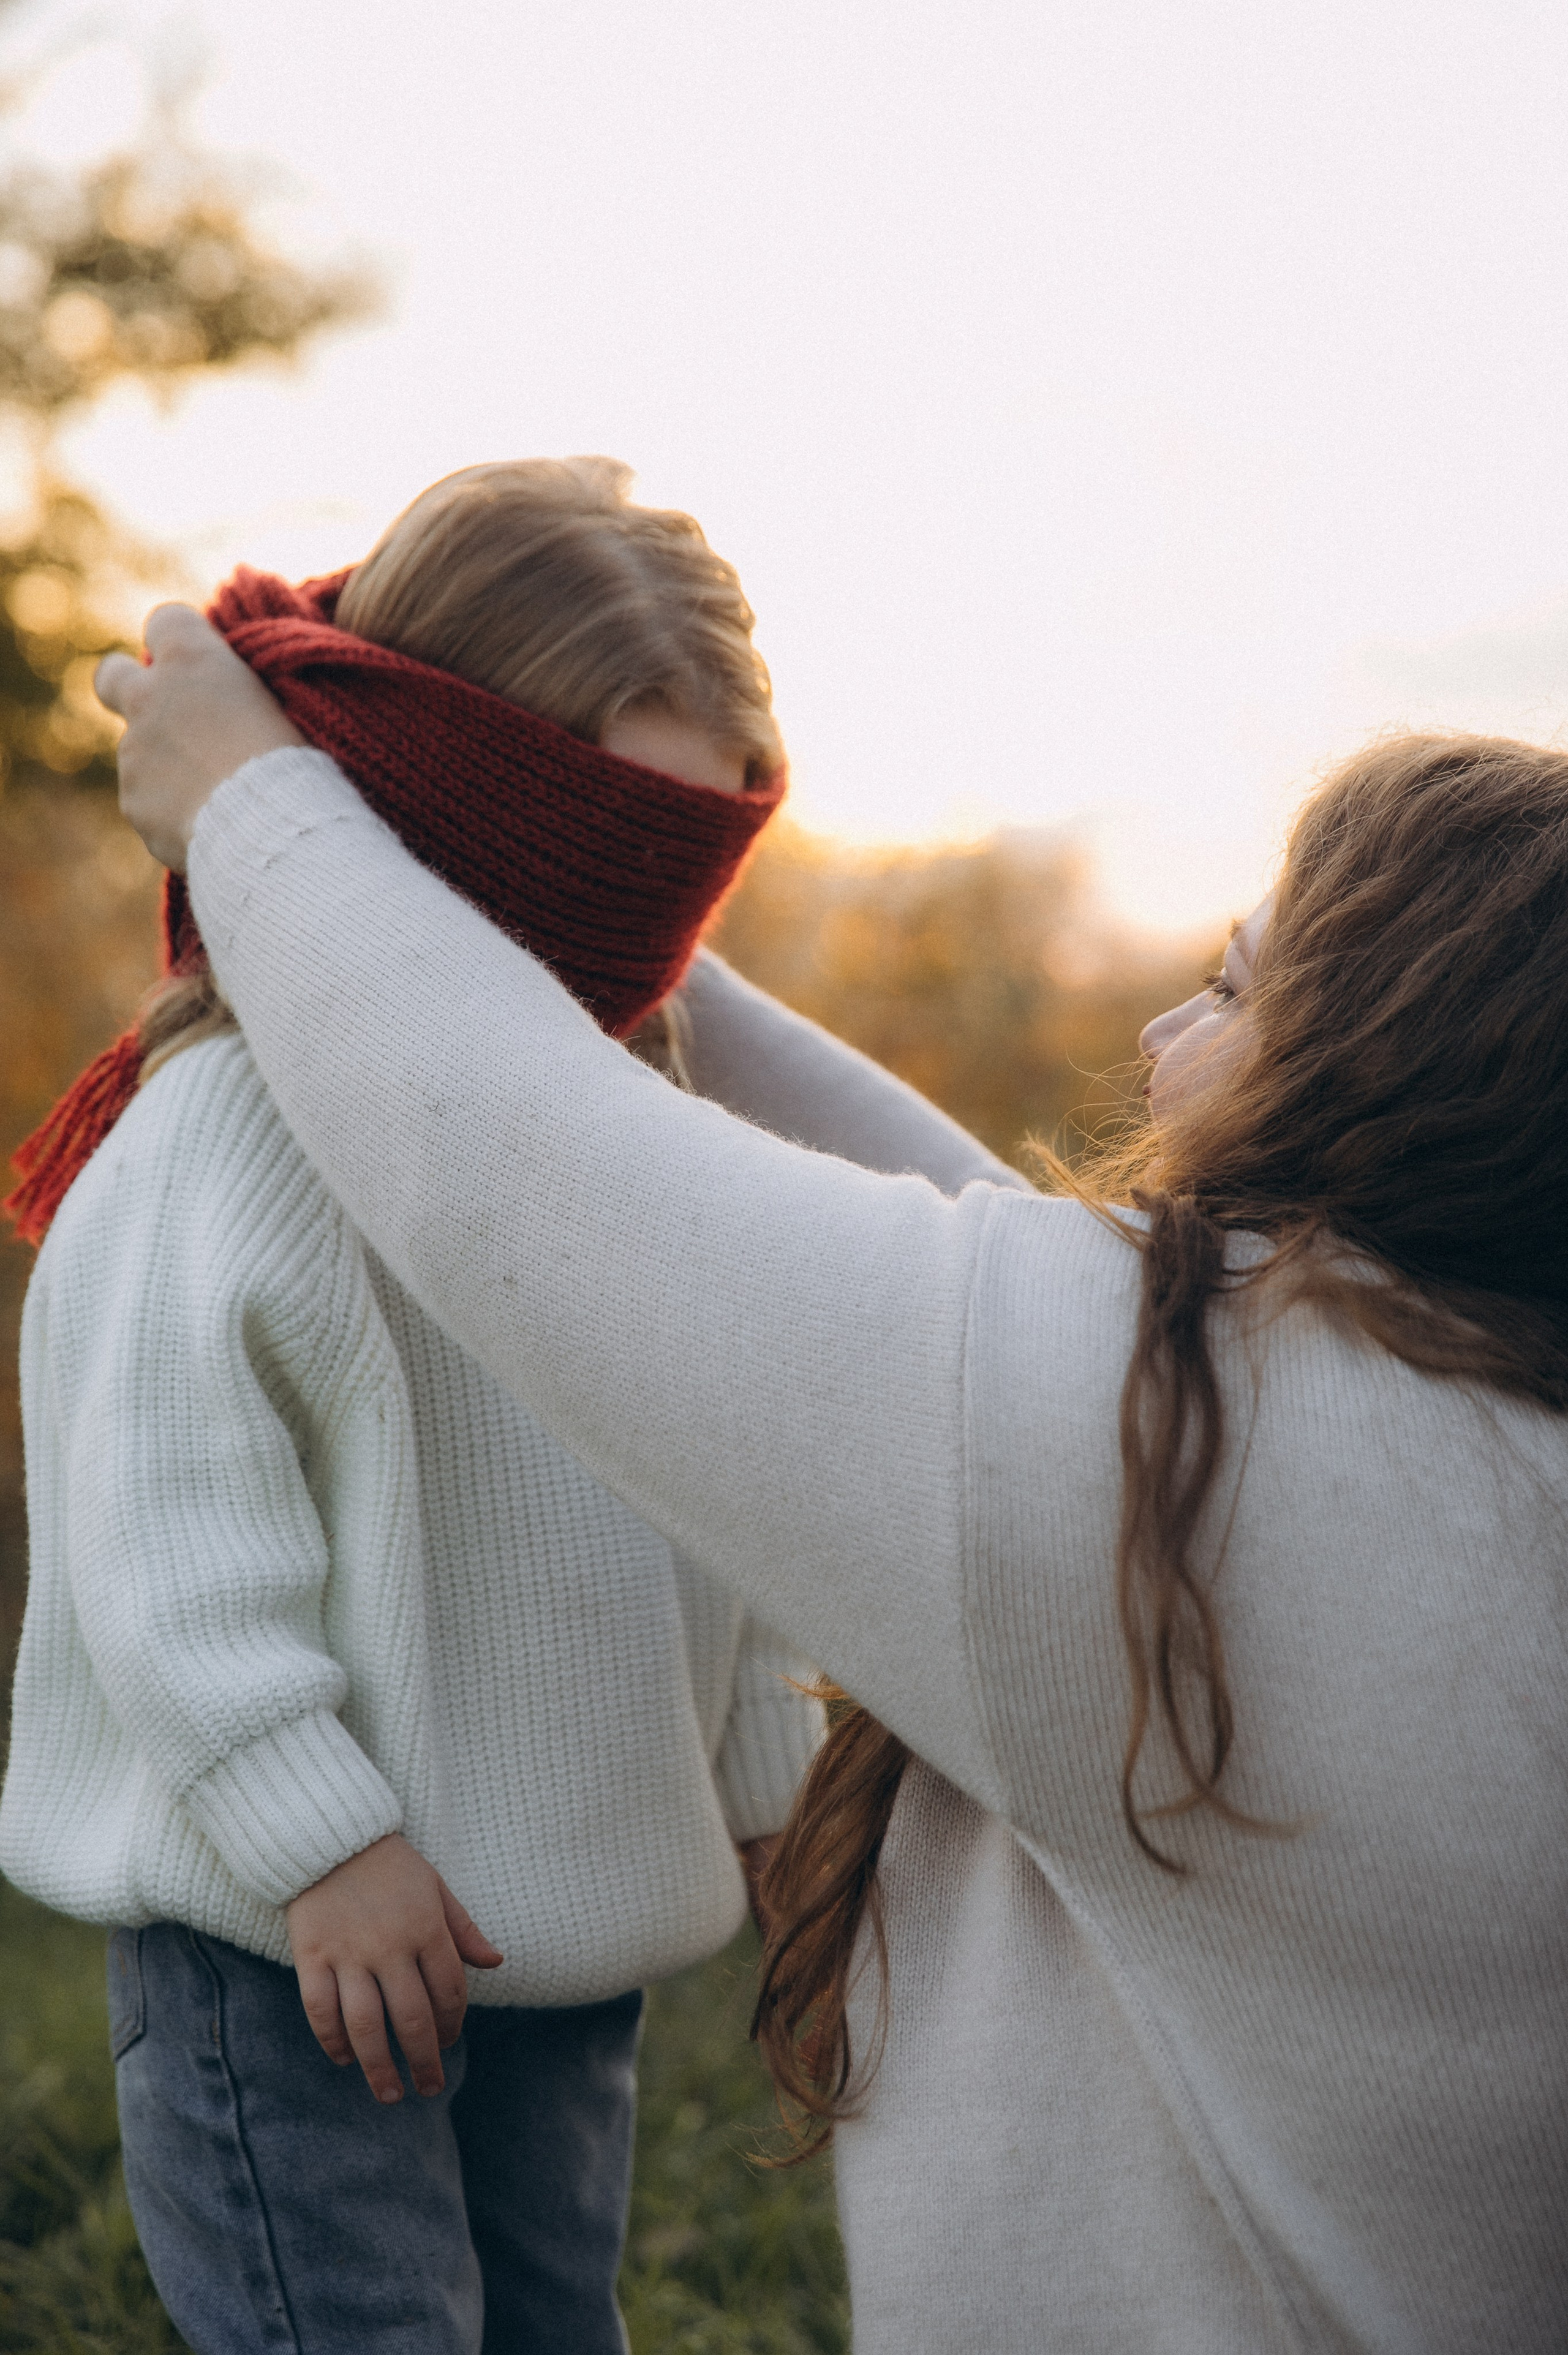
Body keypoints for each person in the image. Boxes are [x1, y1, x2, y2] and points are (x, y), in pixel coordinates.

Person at [102, 615, 1567, 2354]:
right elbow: (955, 1271)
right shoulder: (1461, 1434)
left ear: (1395, 1067)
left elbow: (521, 1168)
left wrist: (251, 798)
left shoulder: (1203, 1469)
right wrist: (594, 876)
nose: (1170, 1022)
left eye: (1245, 991)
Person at [0, 464, 1021, 2355]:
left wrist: (754, 1785)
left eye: (688, 863)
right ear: (450, 799)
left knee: (557, 2324)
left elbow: (701, 1479)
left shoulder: (632, 1135)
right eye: (603, 850)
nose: (631, 930)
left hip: (560, 1927)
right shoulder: (229, 1139)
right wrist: (316, 1839)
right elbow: (159, 1533)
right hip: (293, 1952)